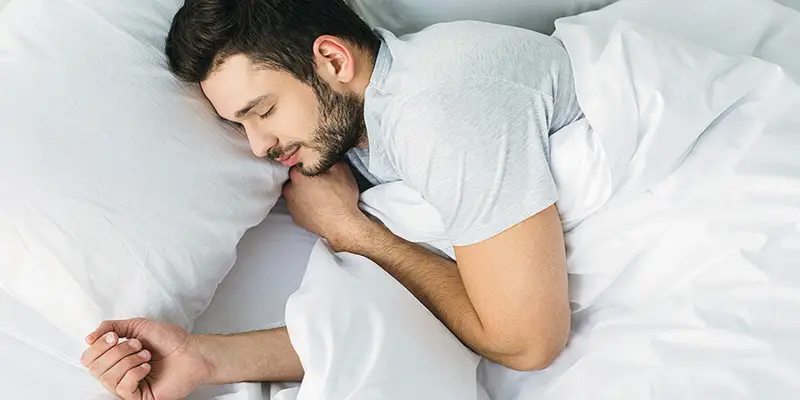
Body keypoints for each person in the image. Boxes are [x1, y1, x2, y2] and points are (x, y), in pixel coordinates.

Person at [81, 0, 583, 398]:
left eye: (264, 111)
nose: (257, 145)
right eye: (240, 125)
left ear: (334, 60)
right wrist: (204, 359)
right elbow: (408, 315)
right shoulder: (360, 135)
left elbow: (529, 342)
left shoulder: (437, 108)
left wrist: (351, 232)